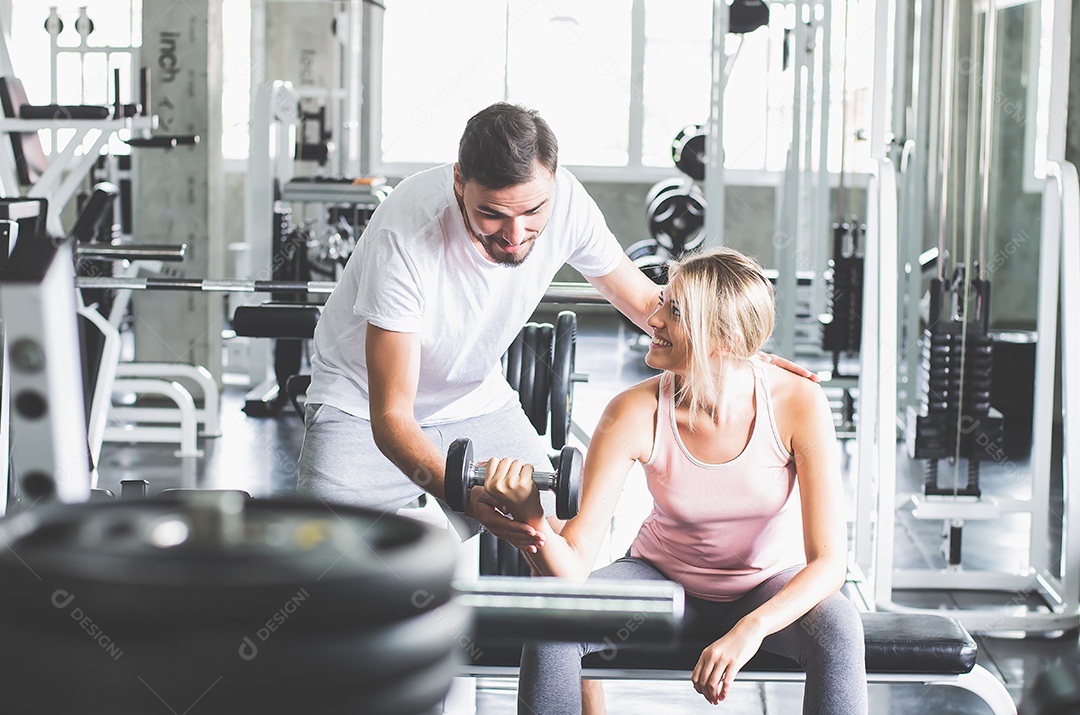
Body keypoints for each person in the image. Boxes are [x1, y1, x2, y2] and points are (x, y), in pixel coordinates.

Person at [298, 102, 811, 548]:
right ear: (460, 180)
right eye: (493, 214)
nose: (516, 235)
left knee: (567, 524)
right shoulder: (407, 232)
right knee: (325, 566)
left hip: (474, 400)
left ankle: (554, 660)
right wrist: (467, 498)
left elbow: (645, 302)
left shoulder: (567, 203)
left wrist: (738, 354)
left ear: (553, 182)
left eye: (532, 211)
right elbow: (392, 416)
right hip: (361, 408)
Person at [483, 247, 868, 715]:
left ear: (722, 340)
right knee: (555, 624)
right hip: (662, 581)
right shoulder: (632, 411)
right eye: (662, 301)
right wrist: (535, 526)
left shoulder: (798, 402)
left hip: (767, 581)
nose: (654, 319)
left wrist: (752, 628)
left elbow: (829, 563)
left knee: (840, 629)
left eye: (675, 311)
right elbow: (574, 568)